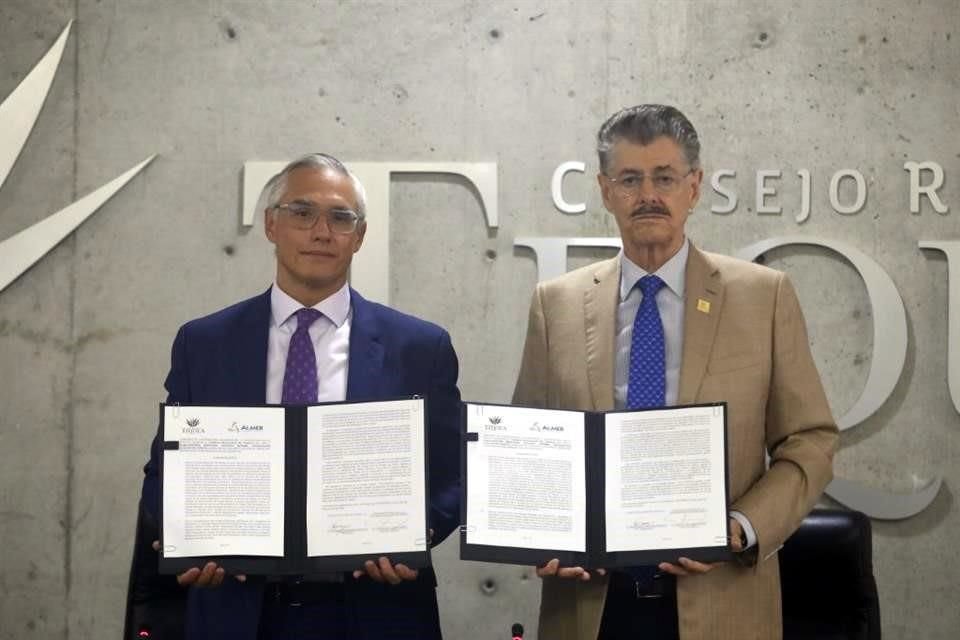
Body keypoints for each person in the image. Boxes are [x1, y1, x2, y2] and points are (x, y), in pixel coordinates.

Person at [512, 105, 839, 640]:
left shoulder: (764, 297)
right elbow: (528, 448)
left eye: (664, 177)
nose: (648, 195)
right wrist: (539, 535)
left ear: (694, 186)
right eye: (630, 179)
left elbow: (810, 440)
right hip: (591, 605)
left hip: (721, 602)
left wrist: (739, 528)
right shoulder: (557, 304)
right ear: (604, 190)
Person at [136, 153, 461, 640]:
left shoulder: (419, 347)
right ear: (271, 225)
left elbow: (452, 474)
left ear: (361, 235)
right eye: (302, 213)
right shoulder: (203, 343)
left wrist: (415, 537)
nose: (321, 232)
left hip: (374, 611)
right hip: (238, 610)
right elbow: (166, 468)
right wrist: (184, 540)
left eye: (340, 217)